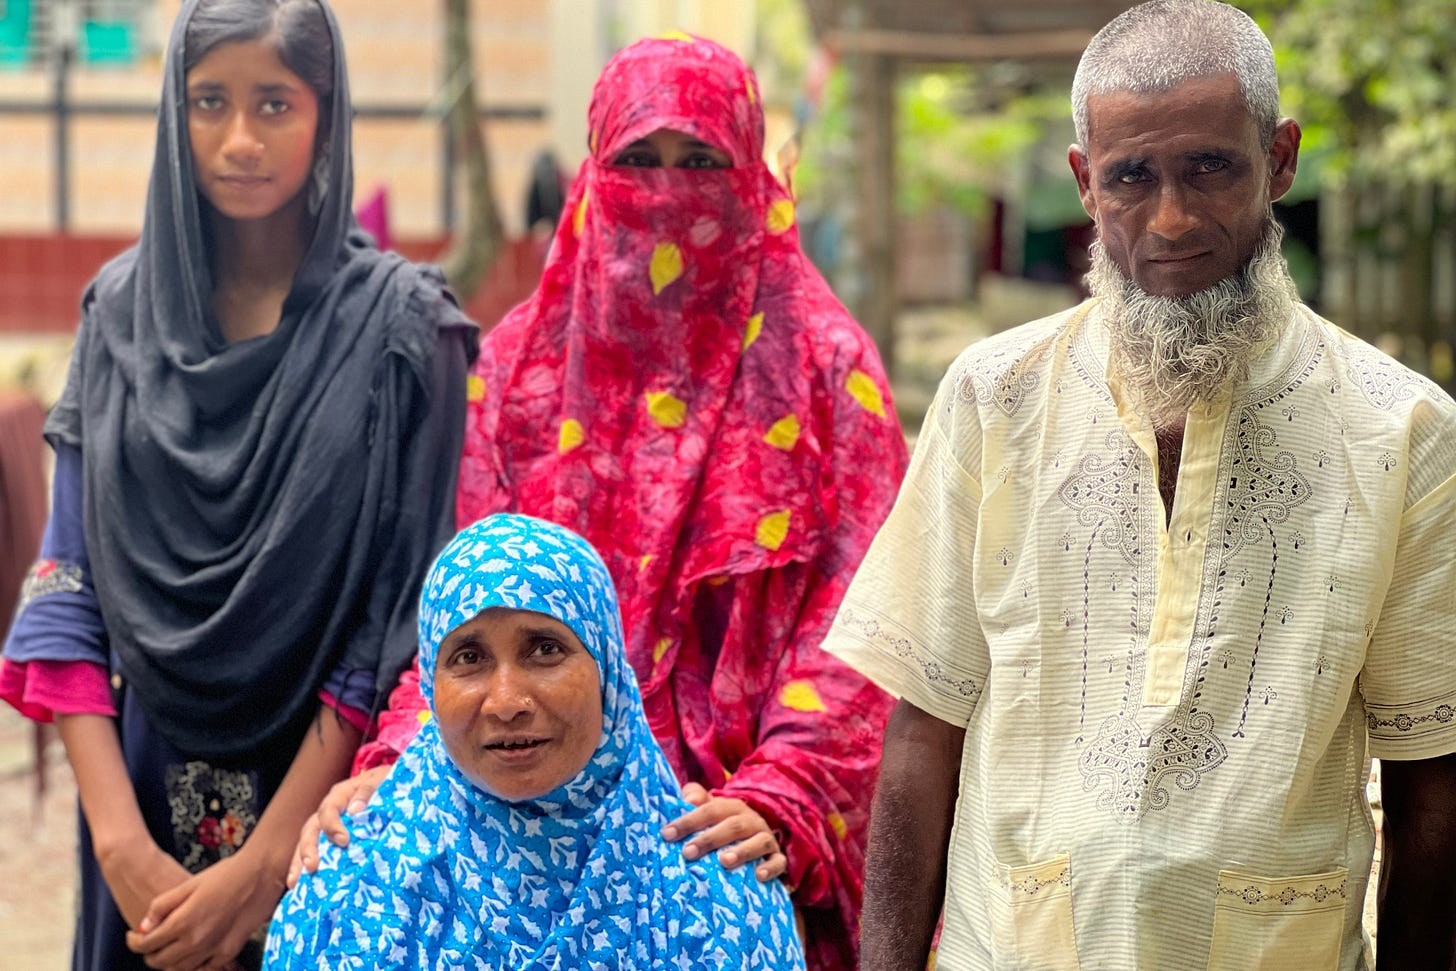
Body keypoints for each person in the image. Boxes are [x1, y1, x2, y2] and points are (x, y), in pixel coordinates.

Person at [822, 2, 1456, 969]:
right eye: (1131, 177)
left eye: (1211, 167)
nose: (1171, 218)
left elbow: (1432, 775)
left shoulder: (1404, 429)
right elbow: (925, 724)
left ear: (1279, 161)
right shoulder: (995, 397)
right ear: (1084, 182)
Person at [292, 33, 907, 970]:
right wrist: (392, 768)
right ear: (593, 172)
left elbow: (869, 624)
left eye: (699, 161)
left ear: (749, 176)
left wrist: (782, 795)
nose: (667, 192)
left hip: (727, 847)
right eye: (638, 161)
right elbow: (465, 610)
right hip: (512, 807)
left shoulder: (827, 367)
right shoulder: (520, 368)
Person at [0, 1, 475, 968]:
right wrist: (119, 841)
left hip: (328, 826)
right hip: (135, 801)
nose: (240, 140)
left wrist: (266, 867)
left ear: (327, 114)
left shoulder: (402, 335)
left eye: (275, 104)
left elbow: (392, 626)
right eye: (209, 102)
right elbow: (66, 585)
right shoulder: (118, 318)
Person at [267, 513, 806, 970]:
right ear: (432, 685)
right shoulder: (348, 887)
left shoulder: (719, 899)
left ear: (608, 675)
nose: (506, 702)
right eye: (469, 658)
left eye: (545, 649)